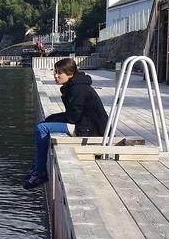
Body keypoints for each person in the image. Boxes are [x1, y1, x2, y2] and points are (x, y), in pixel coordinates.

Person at [23, 57, 109, 189]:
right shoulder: (74, 85)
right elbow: (73, 114)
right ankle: (36, 167)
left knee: (41, 128)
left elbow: (73, 117)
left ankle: (40, 172)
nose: (56, 76)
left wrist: (55, 118)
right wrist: (53, 118)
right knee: (46, 122)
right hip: (84, 123)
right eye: (55, 72)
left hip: (90, 128)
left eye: (59, 73)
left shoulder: (78, 89)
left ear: (70, 74)